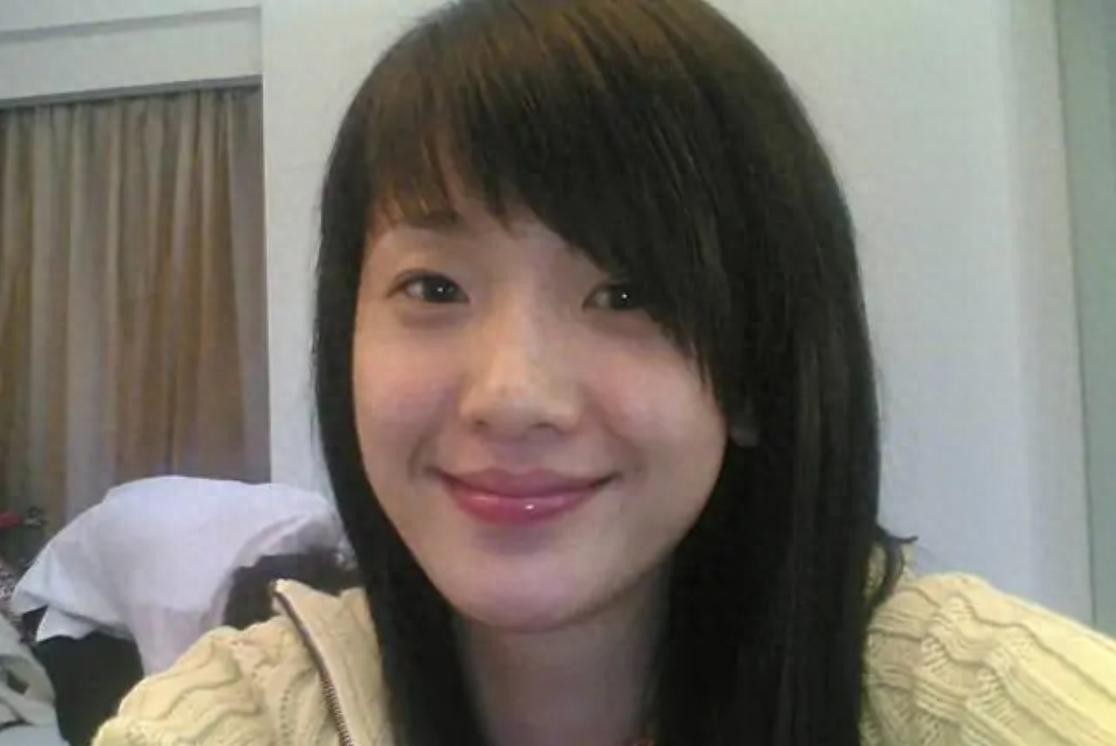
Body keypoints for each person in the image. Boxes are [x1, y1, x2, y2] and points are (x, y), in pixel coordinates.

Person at [93, 1, 1116, 744]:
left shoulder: (962, 699)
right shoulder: (244, 717)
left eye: (628, 294)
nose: (511, 397)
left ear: (754, 369)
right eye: (435, 287)